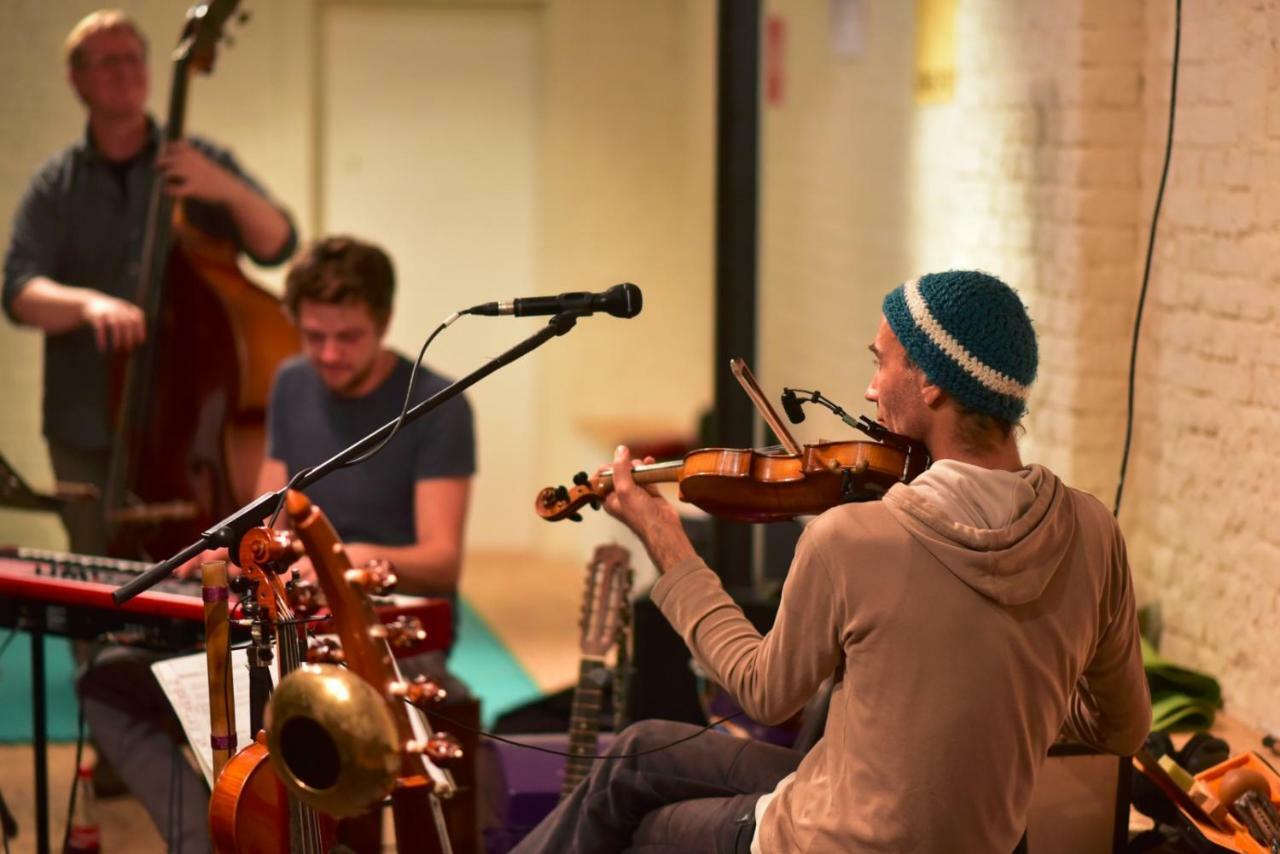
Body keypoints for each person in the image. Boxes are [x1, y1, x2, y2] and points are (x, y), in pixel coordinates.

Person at [514, 270, 1152, 853]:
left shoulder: (853, 539)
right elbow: (1121, 729)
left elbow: (763, 692)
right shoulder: (1094, 532)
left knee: (646, 832)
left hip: (831, 842)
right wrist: (1006, 698)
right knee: (635, 753)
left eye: (882, 364)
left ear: (931, 381)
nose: (871, 388)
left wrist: (666, 540)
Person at [1, 8, 297, 556]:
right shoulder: (56, 185)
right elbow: (19, 291)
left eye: (134, 58)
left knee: (202, 576)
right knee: (95, 571)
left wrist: (224, 188)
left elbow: (279, 242)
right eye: (108, 61)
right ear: (77, 79)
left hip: (193, 428)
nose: (126, 71)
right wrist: (89, 305)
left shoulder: (198, 161)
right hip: (85, 420)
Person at [254, 234, 476, 692]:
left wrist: (350, 559)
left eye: (349, 337)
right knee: (119, 677)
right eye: (314, 336)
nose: (330, 354)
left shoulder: (440, 404)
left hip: (395, 624)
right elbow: (271, 510)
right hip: (302, 610)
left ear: (385, 322)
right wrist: (243, 547)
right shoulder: (290, 382)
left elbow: (442, 563)